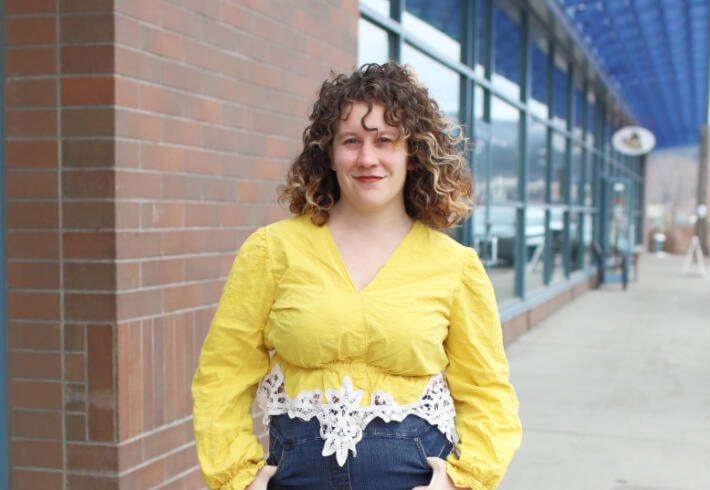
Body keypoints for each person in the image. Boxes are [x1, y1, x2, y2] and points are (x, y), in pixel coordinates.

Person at [192, 61, 522, 490]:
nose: (368, 158)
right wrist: (237, 475)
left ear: (412, 151)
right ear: (328, 152)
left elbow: (487, 392)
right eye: (351, 141)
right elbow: (222, 374)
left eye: (385, 140)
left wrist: (464, 481)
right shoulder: (272, 251)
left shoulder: (455, 266)